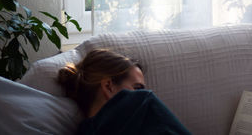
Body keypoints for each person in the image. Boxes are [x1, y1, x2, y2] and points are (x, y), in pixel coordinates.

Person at [58, 49, 191, 135]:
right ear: (109, 86)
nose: (143, 93)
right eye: (137, 88)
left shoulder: (83, 131)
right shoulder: (142, 102)